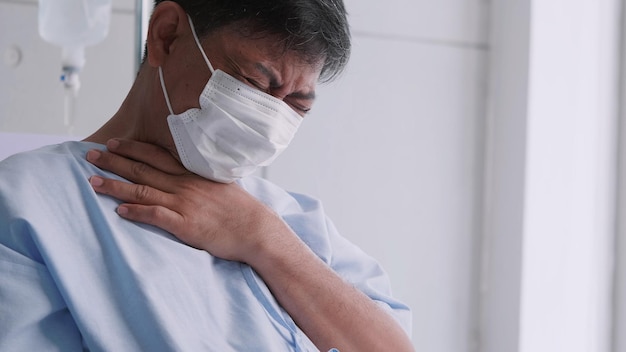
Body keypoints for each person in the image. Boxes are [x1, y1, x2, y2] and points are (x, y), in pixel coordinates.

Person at [0, 0, 413, 351]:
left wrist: (264, 239)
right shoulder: (29, 203)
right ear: (166, 35)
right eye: (253, 83)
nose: (269, 121)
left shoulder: (299, 225)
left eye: (298, 105)